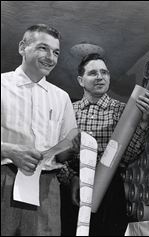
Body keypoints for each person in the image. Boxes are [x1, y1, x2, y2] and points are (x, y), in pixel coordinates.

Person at [57, 53, 149, 236]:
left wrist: (143, 123)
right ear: (80, 80)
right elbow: (57, 155)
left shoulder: (124, 111)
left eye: (104, 72)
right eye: (93, 73)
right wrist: (70, 179)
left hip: (109, 187)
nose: (100, 77)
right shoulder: (68, 110)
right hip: (73, 185)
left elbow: (127, 156)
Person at [1, 24, 79, 236]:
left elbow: (65, 149)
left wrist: (72, 146)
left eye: (56, 52)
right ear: (22, 47)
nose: (50, 58)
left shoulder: (62, 97)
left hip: (47, 186)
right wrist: (9, 150)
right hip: (4, 178)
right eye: (43, 48)